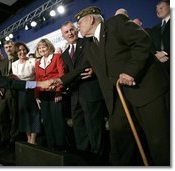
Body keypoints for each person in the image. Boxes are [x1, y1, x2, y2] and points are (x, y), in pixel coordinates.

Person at [54, 6, 169, 166]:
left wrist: (131, 71)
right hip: (119, 98)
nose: (77, 26)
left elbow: (142, 41)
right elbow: (81, 68)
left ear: (91, 19)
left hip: (146, 91)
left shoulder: (116, 23)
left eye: (79, 22)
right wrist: (60, 81)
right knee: (119, 143)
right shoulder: (89, 44)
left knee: (159, 142)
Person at [60, 21, 108, 156]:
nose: (70, 33)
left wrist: (93, 69)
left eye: (71, 30)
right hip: (75, 96)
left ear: (76, 30)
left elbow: (86, 65)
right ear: (63, 36)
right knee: (79, 130)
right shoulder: (64, 55)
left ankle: (97, 160)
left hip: (91, 93)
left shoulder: (88, 42)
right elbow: (68, 74)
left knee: (95, 129)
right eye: (66, 32)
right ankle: (83, 158)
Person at [35, 38, 66, 150]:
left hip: (55, 93)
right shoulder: (37, 63)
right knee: (47, 122)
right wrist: (36, 96)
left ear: (49, 47)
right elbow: (37, 80)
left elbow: (62, 75)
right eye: (40, 48)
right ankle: (51, 146)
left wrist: (59, 91)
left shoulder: (57, 57)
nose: (42, 49)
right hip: (43, 96)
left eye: (44, 47)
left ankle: (61, 146)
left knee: (58, 121)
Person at [12, 42, 41, 144]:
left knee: (34, 114)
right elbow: (16, 80)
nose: (22, 52)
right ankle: (28, 138)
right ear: (16, 52)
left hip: (33, 90)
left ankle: (33, 140)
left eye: (23, 49)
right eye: (19, 50)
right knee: (24, 115)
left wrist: (24, 82)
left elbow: (37, 77)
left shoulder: (33, 61)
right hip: (21, 92)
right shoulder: (14, 64)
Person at [0, 40, 19, 146]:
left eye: (10, 46)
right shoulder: (1, 62)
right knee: (2, 115)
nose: (8, 49)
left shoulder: (19, 59)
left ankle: (14, 138)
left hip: (14, 91)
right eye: (6, 47)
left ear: (14, 47)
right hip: (2, 92)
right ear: (4, 49)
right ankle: (5, 137)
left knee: (14, 115)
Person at [149, 0, 170, 75]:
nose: (158, 11)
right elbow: (150, 44)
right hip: (159, 66)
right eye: (157, 9)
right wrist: (155, 54)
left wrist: (165, 52)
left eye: (161, 8)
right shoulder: (154, 29)